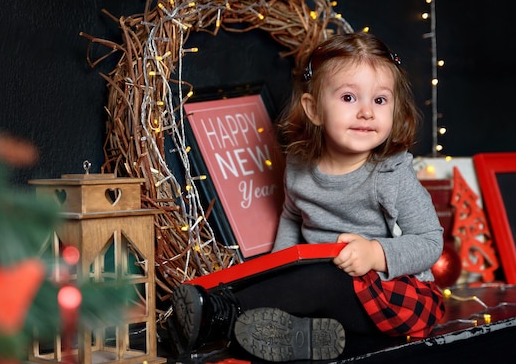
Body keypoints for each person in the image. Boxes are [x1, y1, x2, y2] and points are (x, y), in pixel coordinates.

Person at [168, 32, 445, 362]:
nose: (367, 112)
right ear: (313, 110)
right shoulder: (299, 166)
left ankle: (222, 317)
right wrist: (277, 265)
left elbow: (430, 241)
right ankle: (294, 336)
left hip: (391, 296)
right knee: (295, 282)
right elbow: (292, 215)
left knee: (327, 276)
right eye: (348, 98)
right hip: (328, 298)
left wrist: (374, 253)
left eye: (380, 100)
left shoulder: (390, 173)